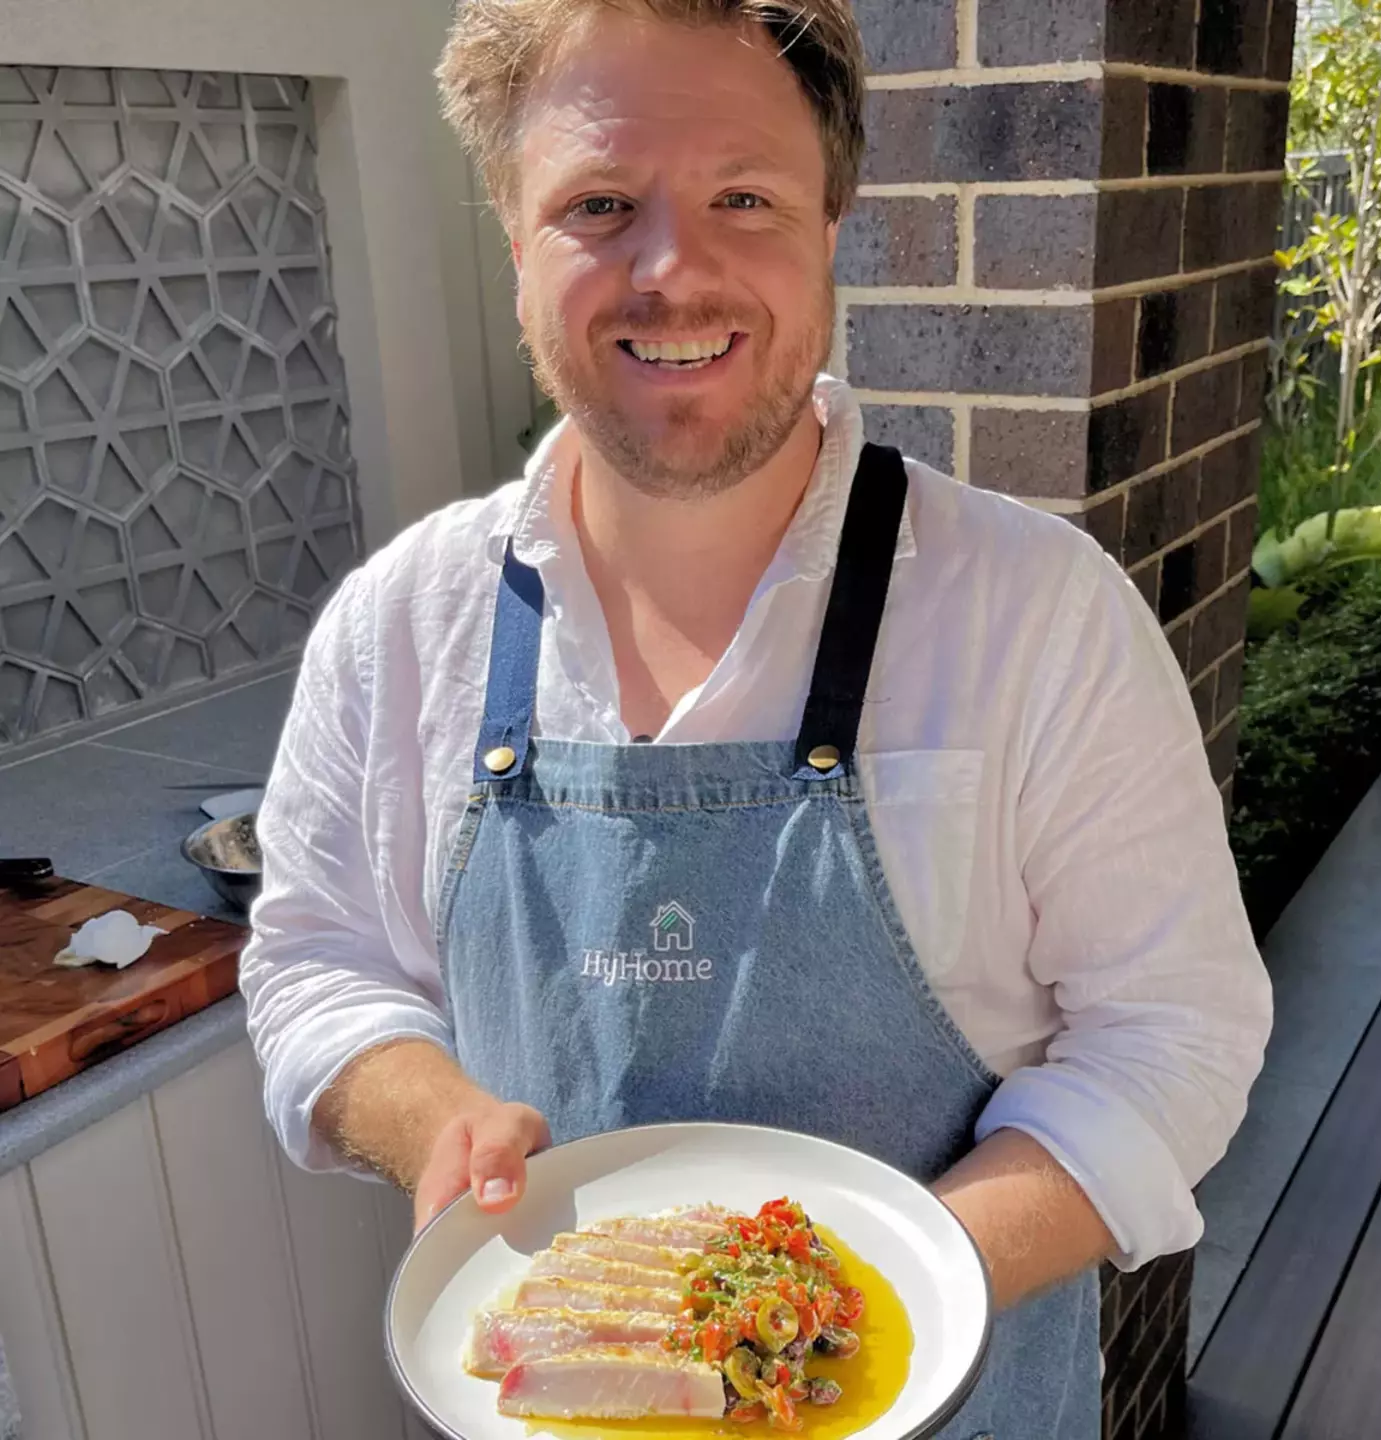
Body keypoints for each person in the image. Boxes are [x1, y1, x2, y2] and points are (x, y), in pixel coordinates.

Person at [239, 2, 1272, 1434]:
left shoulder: (1041, 616)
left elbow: (1177, 1036)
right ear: (511, 233)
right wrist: (426, 1118)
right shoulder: (398, 629)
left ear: (831, 220)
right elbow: (314, 964)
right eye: (601, 204)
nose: (675, 269)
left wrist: (878, 1303)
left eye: (745, 197)